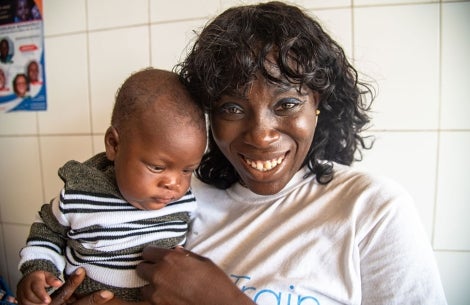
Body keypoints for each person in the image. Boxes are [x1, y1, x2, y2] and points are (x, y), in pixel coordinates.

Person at [49, 2, 447, 305]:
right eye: (232, 108)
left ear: (318, 104)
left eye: (287, 103)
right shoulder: (175, 196)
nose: (260, 134)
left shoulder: (371, 209)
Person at [17, 68, 207, 304]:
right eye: (157, 167)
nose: (174, 184)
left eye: (187, 170)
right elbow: (47, 230)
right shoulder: (80, 194)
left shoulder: (187, 202)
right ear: (114, 145)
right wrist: (37, 270)